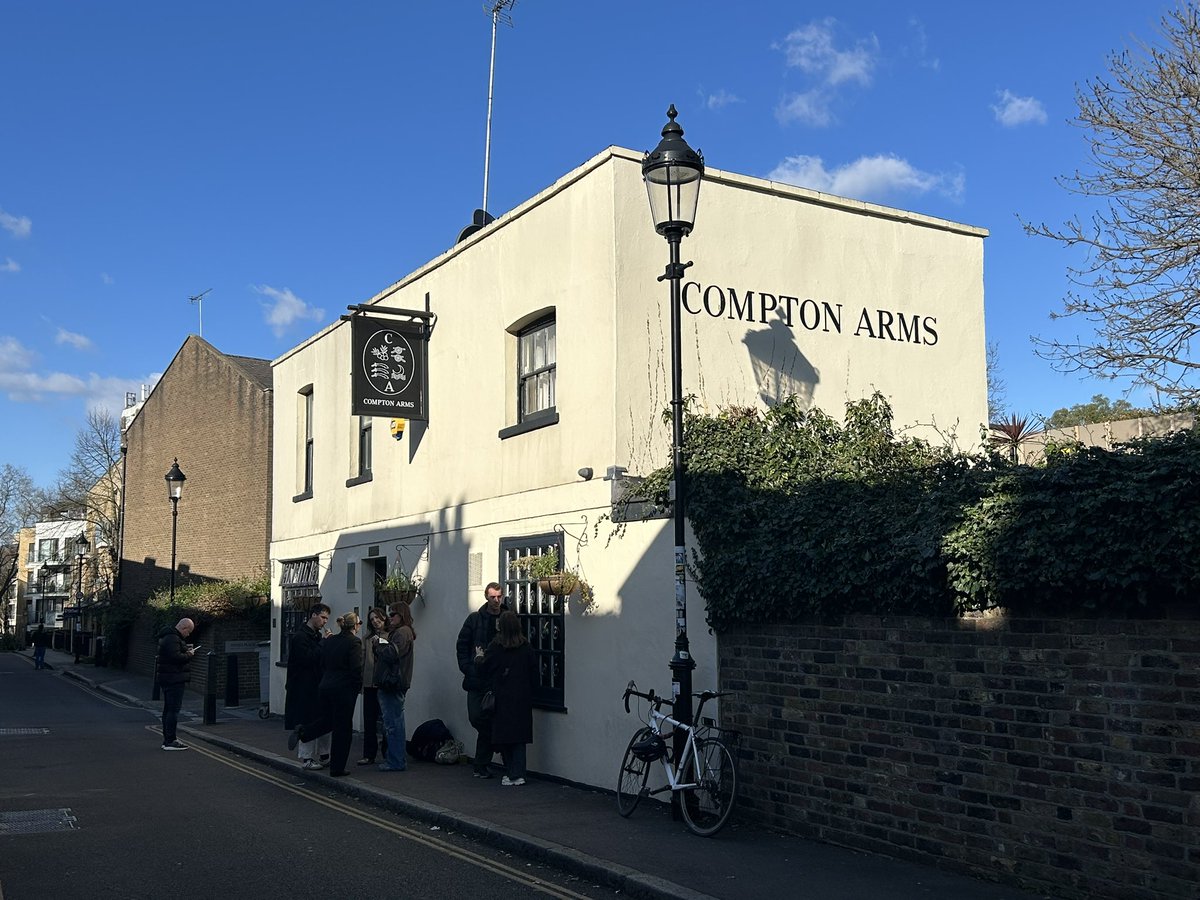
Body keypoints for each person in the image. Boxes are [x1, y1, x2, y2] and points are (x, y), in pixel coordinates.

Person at [288, 611, 363, 777]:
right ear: (355, 626)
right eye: (360, 623)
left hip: (325, 687)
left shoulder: (330, 641)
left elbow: (322, 662)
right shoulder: (354, 642)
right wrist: (357, 687)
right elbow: (356, 668)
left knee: (327, 721)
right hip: (343, 690)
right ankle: (337, 768)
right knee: (343, 729)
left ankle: (304, 732)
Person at [478, 610, 538, 786]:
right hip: (521, 697)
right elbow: (534, 673)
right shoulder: (526, 647)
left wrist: (478, 657)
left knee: (503, 736)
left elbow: (484, 670)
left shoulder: (496, 647)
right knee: (519, 737)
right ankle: (518, 773)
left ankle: (511, 772)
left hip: (502, 696)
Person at [456, 582, 505, 777]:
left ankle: (481, 766)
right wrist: (467, 667)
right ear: (486, 597)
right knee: (476, 717)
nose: (496, 600)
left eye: (499, 597)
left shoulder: (507, 617)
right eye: (493, 597)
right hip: (476, 679)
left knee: (495, 721)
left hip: (498, 679)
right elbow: (462, 645)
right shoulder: (475, 619)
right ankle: (493, 746)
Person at [285, 603, 332, 769]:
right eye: (323, 617)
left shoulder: (316, 636)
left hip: (318, 684)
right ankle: (306, 758)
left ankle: (325, 755)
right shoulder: (300, 637)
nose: (325, 621)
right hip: (303, 686)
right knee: (308, 720)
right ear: (313, 615)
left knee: (324, 719)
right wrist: (323, 644)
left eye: (327, 618)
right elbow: (307, 659)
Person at [376, 603, 415, 772]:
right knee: (394, 722)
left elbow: (392, 654)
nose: (389, 617)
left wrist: (378, 644)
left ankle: (396, 761)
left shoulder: (402, 632)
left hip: (393, 683)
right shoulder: (404, 632)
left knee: (393, 724)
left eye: (393, 614)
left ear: (402, 615)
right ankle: (395, 759)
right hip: (396, 682)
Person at [157, 617, 197, 751]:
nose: (188, 634)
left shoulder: (168, 637)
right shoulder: (173, 638)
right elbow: (176, 658)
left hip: (168, 677)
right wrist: (190, 654)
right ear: (184, 628)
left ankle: (168, 739)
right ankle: (170, 741)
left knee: (169, 709)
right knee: (172, 710)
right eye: (189, 631)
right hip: (173, 679)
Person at [356, 607, 389, 766]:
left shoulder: (391, 636)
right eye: (372, 619)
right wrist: (361, 682)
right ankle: (369, 755)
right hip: (369, 684)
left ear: (384, 618)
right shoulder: (367, 638)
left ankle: (388, 753)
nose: (375, 621)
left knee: (387, 721)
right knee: (369, 721)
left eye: (378, 618)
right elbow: (362, 660)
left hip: (385, 684)